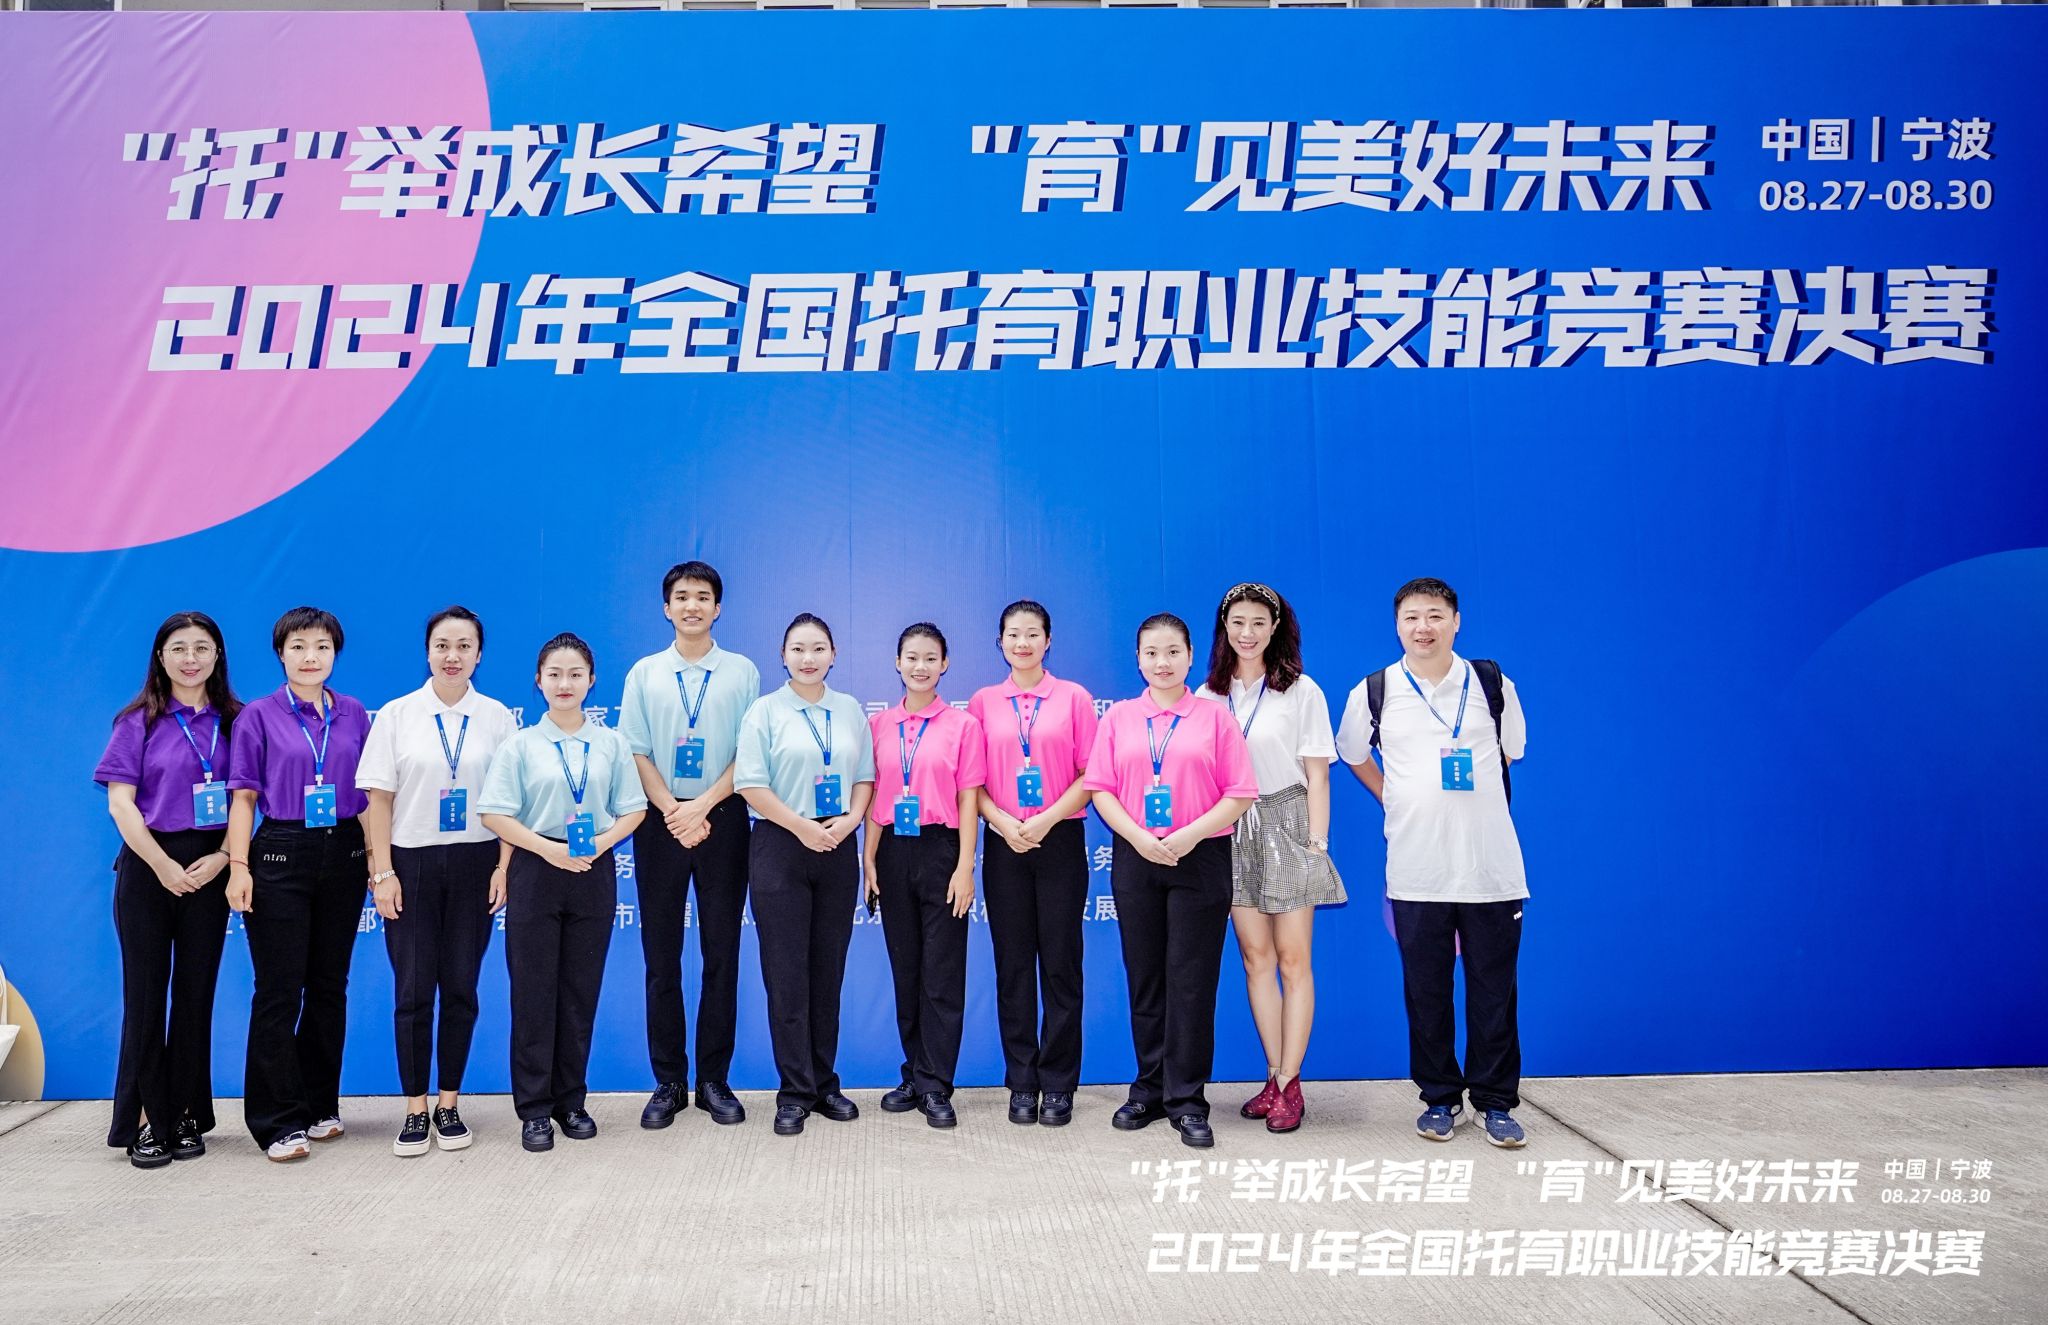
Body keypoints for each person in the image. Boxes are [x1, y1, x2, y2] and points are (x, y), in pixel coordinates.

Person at [1334, 577, 1530, 1148]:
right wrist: (1394, 796)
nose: (1424, 627)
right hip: (1417, 869)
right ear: (1398, 626)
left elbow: (1511, 751)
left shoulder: (1491, 684)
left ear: (1456, 621)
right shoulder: (1375, 690)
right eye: (1413, 617)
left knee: (1495, 993)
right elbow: (1352, 754)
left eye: (1436, 615)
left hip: (1491, 869)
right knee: (1426, 992)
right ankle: (1440, 1099)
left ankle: (1495, 1102)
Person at [1086, 613, 1257, 1149]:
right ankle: (1148, 1090)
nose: (1162, 663)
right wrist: (1139, 836)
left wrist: (1189, 834)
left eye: (1173, 652)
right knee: (1146, 977)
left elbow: (1240, 792)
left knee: (1192, 980)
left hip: (1200, 856)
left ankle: (1187, 1099)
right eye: (1151, 653)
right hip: (1137, 854)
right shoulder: (1118, 718)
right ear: (1138, 659)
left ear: (1190, 656)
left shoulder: (1215, 718)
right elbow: (1100, 788)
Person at [359, 606, 518, 1158]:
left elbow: (509, 803)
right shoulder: (398, 715)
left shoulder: (497, 717)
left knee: (460, 988)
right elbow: (377, 800)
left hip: (477, 862)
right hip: (410, 863)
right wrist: (382, 872)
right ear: (427, 652)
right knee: (412, 991)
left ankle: (449, 1103)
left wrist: (503, 867)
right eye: (442, 645)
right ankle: (414, 1108)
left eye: (464, 646)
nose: (453, 656)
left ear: (479, 654)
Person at [478, 633, 647, 1153]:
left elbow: (634, 809)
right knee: (533, 994)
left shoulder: (611, 743)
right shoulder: (521, 744)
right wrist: (547, 850)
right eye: (554, 674)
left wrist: (597, 844)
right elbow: (494, 813)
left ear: (592, 681)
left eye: (575, 674)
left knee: (579, 992)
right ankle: (534, 1110)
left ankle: (571, 1101)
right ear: (539, 681)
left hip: (592, 867)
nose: (565, 683)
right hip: (536, 866)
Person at [94, 612, 244, 1168]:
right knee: (145, 998)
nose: (190, 658)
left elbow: (247, 800)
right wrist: (160, 865)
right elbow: (120, 803)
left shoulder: (237, 721)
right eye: (178, 648)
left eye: (201, 647)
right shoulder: (138, 721)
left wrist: (224, 857)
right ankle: (142, 1119)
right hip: (148, 867)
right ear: (160, 657)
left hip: (210, 867)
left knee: (195, 997)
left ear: (217, 655)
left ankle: (183, 1114)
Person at [1193, 583, 1343, 1134]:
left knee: (1293, 959)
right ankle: (1274, 1077)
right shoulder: (1207, 696)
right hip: (1230, 828)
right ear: (1224, 628)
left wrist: (1316, 846)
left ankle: (1290, 1081)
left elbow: (1318, 777)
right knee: (1256, 959)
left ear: (1276, 627)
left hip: (1289, 824)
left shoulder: (1301, 691)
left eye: (1259, 622)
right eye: (1237, 622)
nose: (1248, 633)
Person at [617, 561, 761, 1129]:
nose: (692, 605)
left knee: (722, 953)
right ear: (666, 607)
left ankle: (713, 1080)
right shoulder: (645, 673)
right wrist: (674, 810)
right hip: (660, 821)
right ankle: (669, 1081)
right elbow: (635, 750)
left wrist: (701, 807)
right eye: (682, 596)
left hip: (723, 817)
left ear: (718, 608)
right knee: (662, 957)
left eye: (703, 596)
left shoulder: (742, 672)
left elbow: (750, 754)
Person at [223, 606, 371, 1163]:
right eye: (299, 647)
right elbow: (243, 798)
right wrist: (239, 866)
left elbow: (371, 797)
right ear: (280, 654)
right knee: (279, 989)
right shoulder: (258, 716)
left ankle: (319, 1104)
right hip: (281, 852)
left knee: (329, 986)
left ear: (336, 653)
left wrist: (377, 862)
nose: (311, 657)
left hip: (346, 851)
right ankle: (276, 1120)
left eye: (322, 647)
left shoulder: (354, 713)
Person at [734, 613, 875, 1137]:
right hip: (780, 843)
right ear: (783, 655)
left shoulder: (849, 709)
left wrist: (851, 820)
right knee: (787, 973)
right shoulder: (765, 711)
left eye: (818, 648)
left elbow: (865, 777)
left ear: (834, 654)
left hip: (836, 842)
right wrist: (800, 827)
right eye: (798, 648)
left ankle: (823, 1083)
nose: (808, 657)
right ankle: (794, 1092)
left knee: (827, 971)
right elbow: (750, 783)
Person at [966, 600, 1097, 1127]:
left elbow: (1092, 775)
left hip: (1059, 837)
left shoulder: (1074, 698)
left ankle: (1059, 1084)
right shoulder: (983, 702)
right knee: (1013, 966)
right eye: (1013, 635)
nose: (1022, 643)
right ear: (1000, 642)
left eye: (1032, 634)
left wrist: (1045, 820)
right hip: (1005, 842)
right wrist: (1002, 822)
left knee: (1062, 965)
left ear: (1048, 640)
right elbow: (970, 783)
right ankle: (1022, 1081)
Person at [862, 623, 985, 1130]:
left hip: (941, 849)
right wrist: (869, 860)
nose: (920, 667)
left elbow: (969, 799)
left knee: (942, 973)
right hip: (893, 849)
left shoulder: (962, 726)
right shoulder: (878, 725)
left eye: (930, 658)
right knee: (907, 969)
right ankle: (913, 1074)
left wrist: (965, 866)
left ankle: (936, 1084)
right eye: (911, 657)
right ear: (897, 662)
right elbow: (873, 797)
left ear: (944, 664)